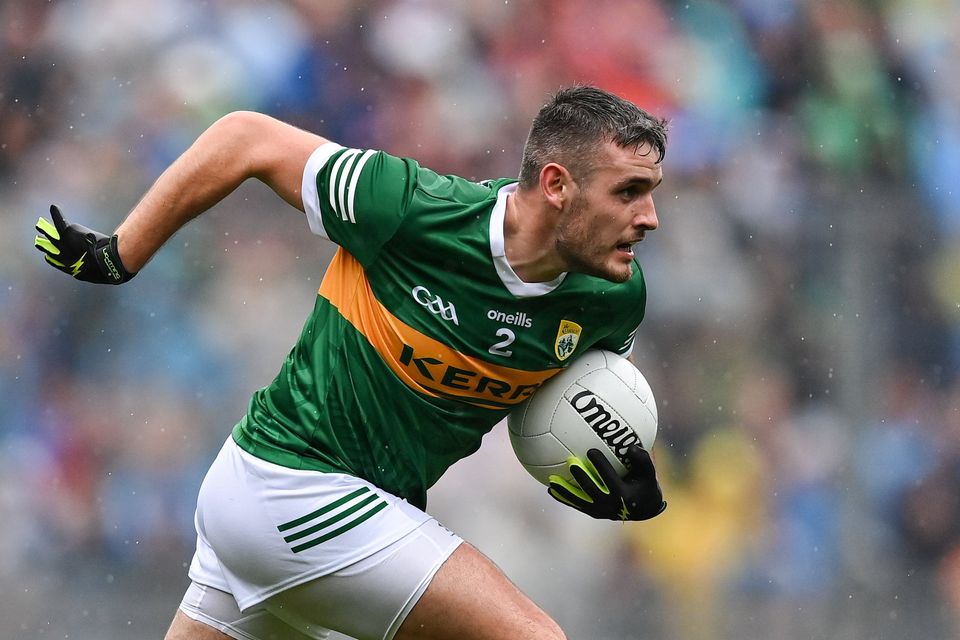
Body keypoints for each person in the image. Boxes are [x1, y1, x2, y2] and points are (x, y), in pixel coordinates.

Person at [34, 85, 669, 640]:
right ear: (556, 184)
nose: (650, 218)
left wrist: (620, 476)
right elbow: (244, 137)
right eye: (629, 192)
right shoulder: (409, 208)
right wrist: (121, 253)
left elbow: (572, 404)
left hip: (286, 504)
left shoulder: (614, 297)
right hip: (296, 486)